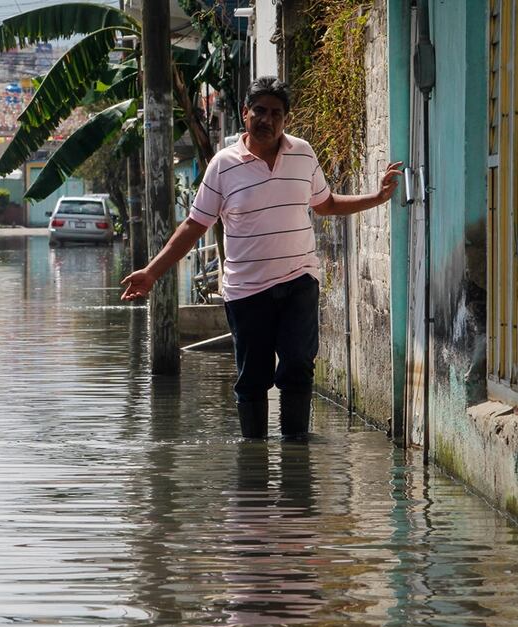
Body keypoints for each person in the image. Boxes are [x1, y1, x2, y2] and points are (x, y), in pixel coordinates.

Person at [120, 76, 402, 441]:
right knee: (253, 376)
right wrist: (152, 272)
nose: (267, 119)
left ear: (285, 119)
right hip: (246, 290)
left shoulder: (302, 153)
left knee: (299, 364)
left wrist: (375, 198)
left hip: (300, 278)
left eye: (276, 113)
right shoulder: (223, 165)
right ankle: (253, 461)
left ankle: (295, 455)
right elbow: (193, 225)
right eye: (260, 111)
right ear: (245, 114)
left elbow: (326, 203)